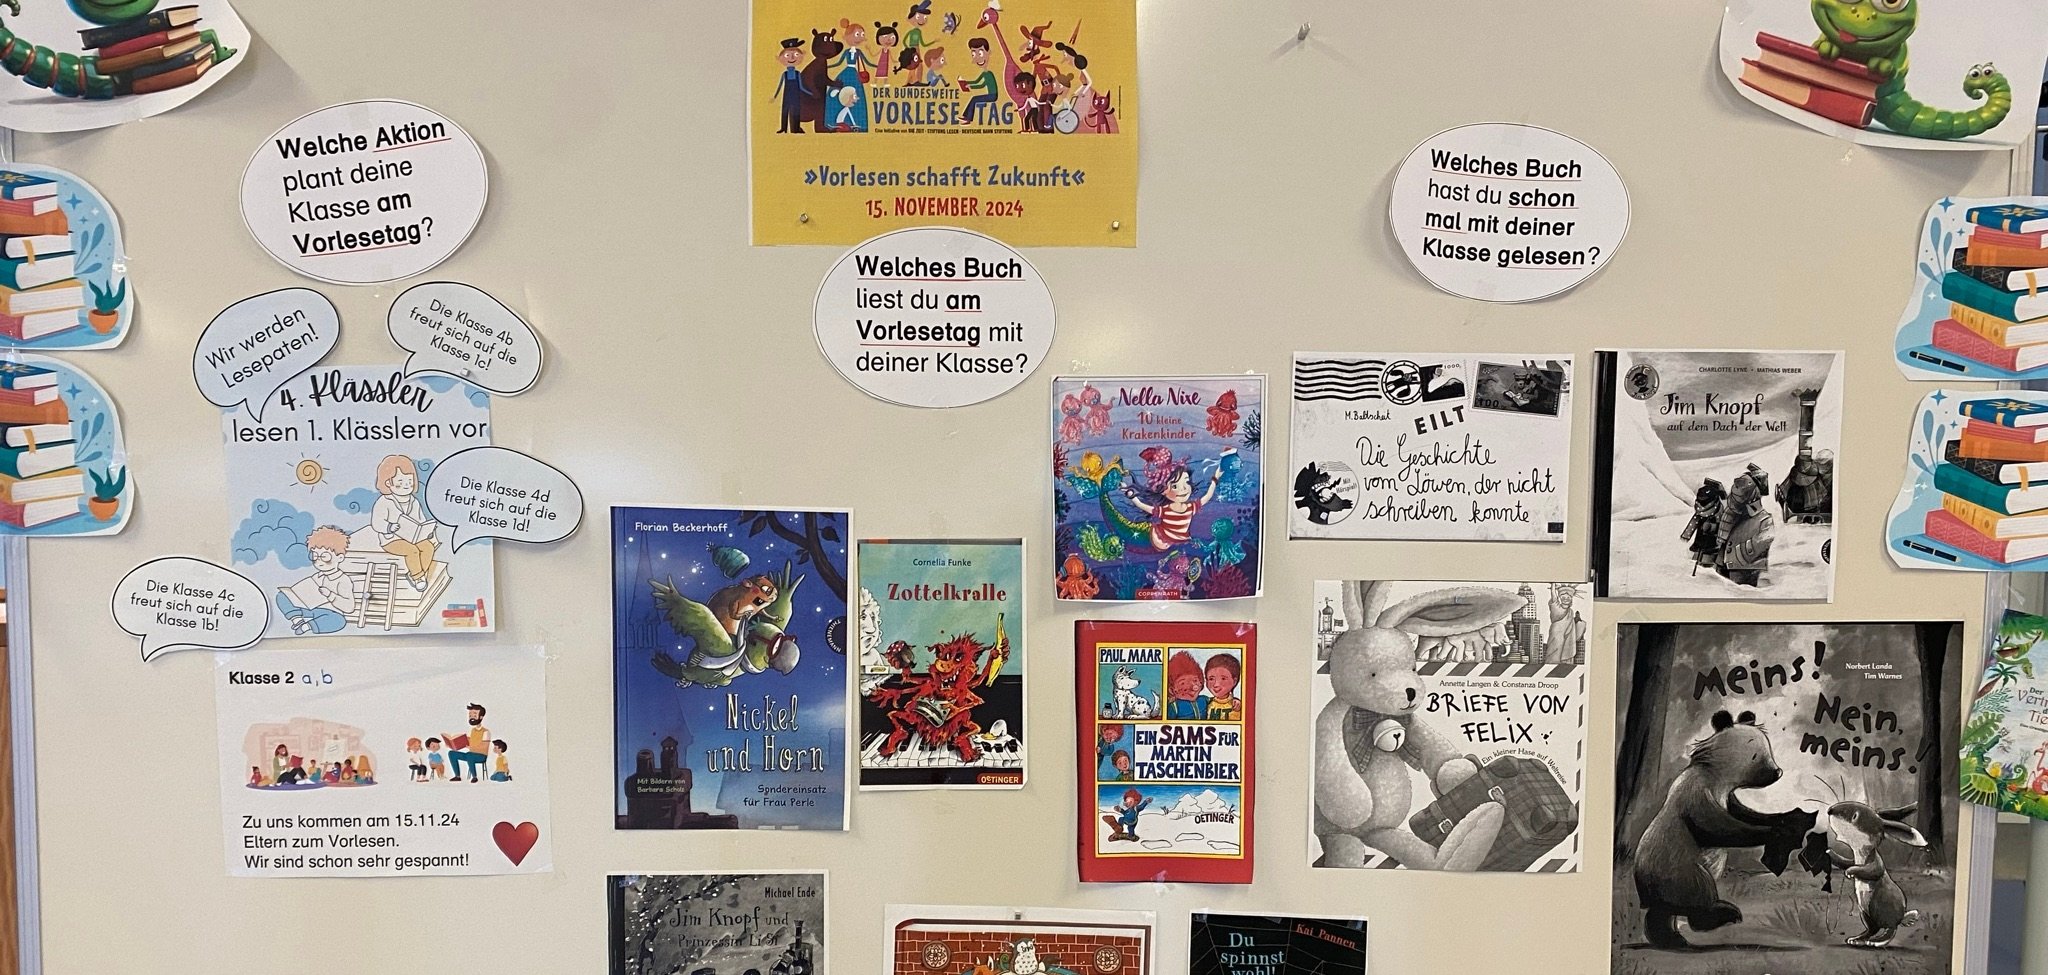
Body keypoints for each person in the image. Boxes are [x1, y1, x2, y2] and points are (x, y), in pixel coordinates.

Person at [371, 455, 437, 592]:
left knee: (428, 547)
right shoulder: (384, 502)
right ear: (388, 483)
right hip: (391, 540)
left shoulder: (414, 501)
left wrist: (427, 531)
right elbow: (376, 522)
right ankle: (418, 577)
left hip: (413, 538)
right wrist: (389, 527)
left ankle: (414, 575)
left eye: (410, 481)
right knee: (412, 551)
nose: (406, 485)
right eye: (401, 482)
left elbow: (421, 520)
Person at [275, 526, 356, 634]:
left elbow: (349, 607)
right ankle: (297, 620)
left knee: (339, 621)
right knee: (282, 595)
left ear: (340, 558)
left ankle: (307, 626)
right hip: (310, 609)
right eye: (315, 556)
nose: (319, 561)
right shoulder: (316, 577)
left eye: (325, 557)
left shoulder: (342, 580)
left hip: (330, 612)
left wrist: (330, 595)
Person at [771, 38, 812, 134]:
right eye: (787, 55)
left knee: (796, 112)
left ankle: (796, 128)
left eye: (796, 54)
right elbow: (780, 86)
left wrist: (809, 93)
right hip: (787, 96)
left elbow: (801, 87)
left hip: (796, 96)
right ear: (779, 58)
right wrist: (775, 97)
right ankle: (783, 128)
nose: (792, 58)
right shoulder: (784, 74)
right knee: (785, 111)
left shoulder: (798, 74)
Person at [443, 703, 491, 783]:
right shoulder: (473, 730)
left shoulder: (486, 732)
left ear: (481, 717)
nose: (472, 717)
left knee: (469, 755)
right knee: (451, 753)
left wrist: (471, 748)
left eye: (474, 714)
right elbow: (469, 741)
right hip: (471, 755)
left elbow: (484, 747)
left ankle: (474, 777)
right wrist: (452, 744)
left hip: (481, 756)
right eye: (470, 715)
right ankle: (457, 776)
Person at [958, 38, 999, 125]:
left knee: (974, 99)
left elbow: (982, 85)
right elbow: (976, 81)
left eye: (980, 53)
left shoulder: (989, 74)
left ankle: (968, 118)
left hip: (992, 96)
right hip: (990, 95)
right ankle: (966, 117)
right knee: (974, 99)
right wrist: (965, 82)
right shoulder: (984, 73)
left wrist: (971, 86)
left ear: (989, 52)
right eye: (973, 54)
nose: (977, 58)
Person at [1163, 651, 1205, 719]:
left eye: (1195, 680)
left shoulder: (1204, 700)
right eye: (1183, 683)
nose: (1193, 687)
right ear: (1172, 690)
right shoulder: (1174, 707)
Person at [1202, 654, 1242, 721]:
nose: (1216, 684)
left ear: (1234, 681)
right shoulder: (1206, 703)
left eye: (1223, 678)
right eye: (1211, 679)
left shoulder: (1237, 705)